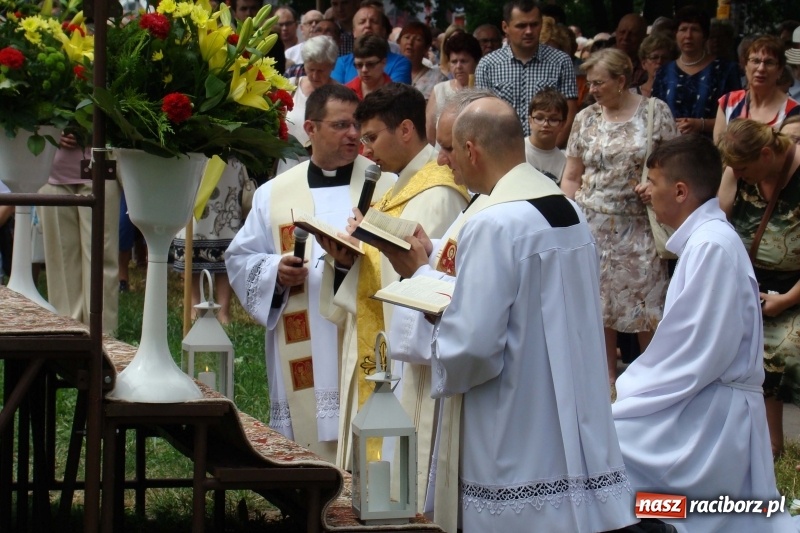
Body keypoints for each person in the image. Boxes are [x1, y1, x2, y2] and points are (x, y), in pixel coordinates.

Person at [430, 96, 636, 533]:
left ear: (471, 150)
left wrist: (438, 333)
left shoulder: (493, 224)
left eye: (452, 150)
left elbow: (474, 344)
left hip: (512, 413)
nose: (449, 164)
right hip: (572, 401)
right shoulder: (570, 210)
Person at [614, 133, 796, 533]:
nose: (646, 190)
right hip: (707, 402)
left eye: (653, 181)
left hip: (712, 414)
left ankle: (661, 521)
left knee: (608, 445)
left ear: (680, 191)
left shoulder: (711, 246)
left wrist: (629, 392)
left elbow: (695, 351)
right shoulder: (706, 241)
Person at [224, 84, 394, 463]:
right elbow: (240, 257)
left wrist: (354, 264)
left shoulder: (385, 185)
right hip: (305, 331)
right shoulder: (276, 193)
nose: (353, 134)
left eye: (357, 125)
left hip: (361, 328)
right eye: (341, 125)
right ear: (311, 129)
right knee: (306, 430)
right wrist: (274, 271)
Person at [319, 83, 469, 472]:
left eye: (371, 137)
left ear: (405, 129)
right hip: (376, 336)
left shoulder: (438, 193)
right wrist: (346, 259)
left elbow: (431, 279)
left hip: (406, 355)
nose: (365, 149)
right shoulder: (395, 188)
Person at [561, 48, 677, 386]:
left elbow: (673, 166)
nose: (592, 89)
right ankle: (605, 382)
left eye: (598, 83)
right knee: (598, 307)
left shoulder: (655, 112)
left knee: (646, 306)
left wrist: (656, 188)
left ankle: (655, 382)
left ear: (621, 80)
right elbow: (571, 174)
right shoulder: (586, 118)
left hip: (638, 222)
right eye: (590, 82)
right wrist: (566, 216)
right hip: (591, 222)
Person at [717, 118, 800, 460]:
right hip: (752, 284)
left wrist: (786, 301)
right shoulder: (738, 173)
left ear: (766, 154)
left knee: (786, 352)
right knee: (740, 352)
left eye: (743, 168)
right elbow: (718, 220)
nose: (739, 174)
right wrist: (730, 177)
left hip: (792, 289)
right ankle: (770, 445)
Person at [39, 134, 120, 333]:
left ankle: (104, 341)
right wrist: (50, 130)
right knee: (61, 261)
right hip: (51, 172)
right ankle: (68, 340)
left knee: (101, 257)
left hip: (100, 165)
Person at [475, 0, 577, 146]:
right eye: (521, 26)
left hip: (547, 152)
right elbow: (482, 117)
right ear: (505, 27)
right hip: (503, 151)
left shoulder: (561, 62)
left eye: (534, 24)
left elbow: (570, 113)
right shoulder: (487, 65)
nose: (529, 31)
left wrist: (548, 151)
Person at [652, 6, 740, 137]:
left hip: (710, 149)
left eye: (695, 30)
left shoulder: (725, 70)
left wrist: (701, 124)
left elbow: (736, 117)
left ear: (705, 36)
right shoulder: (664, 72)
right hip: (671, 148)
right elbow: (654, 115)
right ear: (675, 34)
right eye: (683, 29)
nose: (688, 35)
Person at [713, 35, 800, 142]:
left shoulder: (794, 111)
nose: (761, 68)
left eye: (769, 62)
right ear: (745, 65)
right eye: (755, 61)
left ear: (780, 70)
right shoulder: (728, 102)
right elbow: (718, 150)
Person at [278, 35, 339, 174]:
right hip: (288, 167)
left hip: (326, 169)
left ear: (332, 66)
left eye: (321, 71)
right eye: (311, 69)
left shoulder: (341, 95)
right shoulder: (290, 87)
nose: (315, 76)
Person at [425, 32, 482, 145]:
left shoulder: (482, 91)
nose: (458, 66)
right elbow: (430, 134)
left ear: (476, 62)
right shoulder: (439, 90)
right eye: (454, 62)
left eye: (464, 61)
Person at [331, 5, 411, 85]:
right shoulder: (341, 63)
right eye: (362, 22)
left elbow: (395, 95)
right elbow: (336, 95)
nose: (368, 26)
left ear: (383, 30)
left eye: (374, 22)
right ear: (354, 32)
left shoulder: (400, 63)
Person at [525, 88, 567, 182]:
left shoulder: (564, 161)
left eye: (553, 119)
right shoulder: (517, 152)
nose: (545, 124)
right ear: (530, 121)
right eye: (539, 118)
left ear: (563, 124)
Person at [398, 20, 445, 101]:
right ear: (399, 42)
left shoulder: (438, 79)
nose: (410, 42)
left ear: (426, 48)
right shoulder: (388, 72)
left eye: (418, 39)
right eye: (407, 37)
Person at [344, 35, 391, 100]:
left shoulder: (395, 94)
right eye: (359, 65)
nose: (364, 70)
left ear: (383, 62)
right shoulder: (346, 92)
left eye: (370, 64)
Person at [633, 33, 676, 98]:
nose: (659, 61)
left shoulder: (677, 93)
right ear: (644, 63)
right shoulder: (631, 94)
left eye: (664, 58)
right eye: (654, 57)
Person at [614, 13, 648, 89]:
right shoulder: (602, 61)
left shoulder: (647, 67)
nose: (625, 37)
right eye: (622, 32)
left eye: (632, 34)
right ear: (616, 33)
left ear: (643, 37)